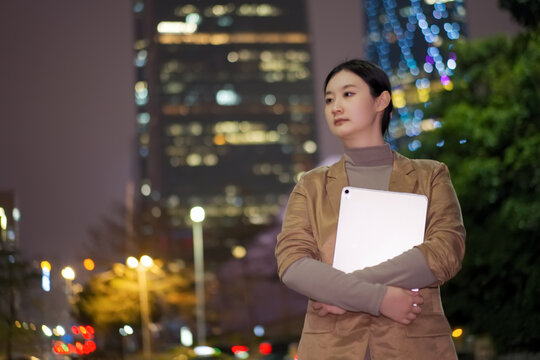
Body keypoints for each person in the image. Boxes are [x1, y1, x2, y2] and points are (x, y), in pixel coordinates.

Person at [275, 59, 465, 359]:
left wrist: (344, 292)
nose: (336, 106)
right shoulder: (310, 186)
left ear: (381, 100)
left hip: (416, 345)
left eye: (348, 94)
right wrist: (378, 298)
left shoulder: (430, 175)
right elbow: (293, 264)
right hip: (330, 347)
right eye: (329, 99)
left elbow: (446, 250)